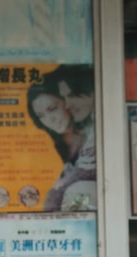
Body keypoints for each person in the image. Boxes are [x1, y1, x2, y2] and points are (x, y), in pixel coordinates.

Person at [26, 79, 96, 212]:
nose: (49, 119)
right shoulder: (49, 147)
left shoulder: (91, 136)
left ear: (66, 102)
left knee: (79, 190)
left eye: (52, 109)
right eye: (41, 116)